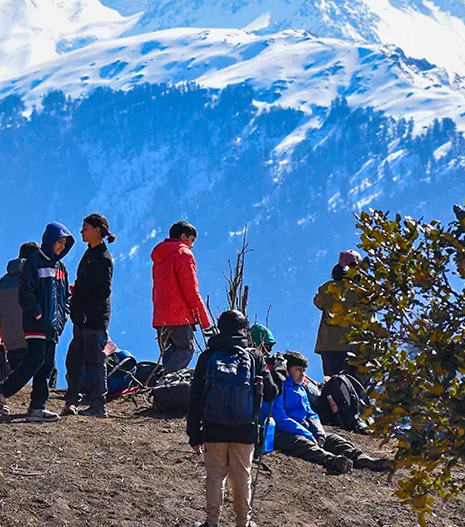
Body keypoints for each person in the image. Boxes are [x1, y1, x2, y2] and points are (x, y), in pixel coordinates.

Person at [185, 310, 280, 527]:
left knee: (215, 476)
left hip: (213, 427)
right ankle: (242, 522)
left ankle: (211, 522)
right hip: (245, 428)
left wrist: (194, 433)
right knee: (242, 477)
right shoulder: (254, 356)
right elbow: (272, 393)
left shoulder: (207, 356)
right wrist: (279, 371)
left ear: (220, 328)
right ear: (244, 329)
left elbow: (196, 396)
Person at [0, 223, 73, 422]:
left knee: (46, 366)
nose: (61, 246)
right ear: (49, 240)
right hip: (36, 325)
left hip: (53, 327)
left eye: (64, 243)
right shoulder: (34, 263)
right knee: (34, 361)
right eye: (59, 241)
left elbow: (65, 297)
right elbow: (26, 293)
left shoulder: (61, 268)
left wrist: (62, 317)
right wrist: (39, 314)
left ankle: (37, 408)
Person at [272, 351, 393, 475]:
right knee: (302, 444)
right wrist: (307, 434)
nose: (302, 374)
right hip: (284, 433)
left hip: (304, 428)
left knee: (336, 440)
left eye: (304, 370)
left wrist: (319, 432)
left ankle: (362, 459)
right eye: (298, 370)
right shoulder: (277, 388)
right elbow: (280, 418)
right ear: (287, 369)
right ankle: (332, 460)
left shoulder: (301, 389)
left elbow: (310, 413)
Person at [62, 213, 115, 418]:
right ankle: (73, 401)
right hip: (82, 317)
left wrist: (84, 306)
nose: (82, 231)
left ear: (97, 230)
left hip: (93, 318)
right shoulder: (90, 254)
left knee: (94, 361)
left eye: (85, 227)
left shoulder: (103, 258)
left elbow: (103, 291)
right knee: (74, 359)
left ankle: (98, 405)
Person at [151, 221, 212, 372]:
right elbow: (191, 290)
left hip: (160, 315)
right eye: (191, 240)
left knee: (169, 354)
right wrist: (205, 322)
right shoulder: (183, 254)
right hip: (179, 316)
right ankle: (163, 382)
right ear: (183, 236)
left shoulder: (159, 257)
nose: (192, 245)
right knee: (186, 349)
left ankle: (164, 391)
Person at [0, 242, 41, 372]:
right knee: (46, 375)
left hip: (10, 340)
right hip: (34, 335)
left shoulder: (3, 281)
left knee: (16, 378)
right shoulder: (36, 277)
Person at [314, 250, 361, 378]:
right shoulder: (365, 291)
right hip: (360, 348)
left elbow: (318, 302)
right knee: (360, 390)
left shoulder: (329, 288)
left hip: (331, 347)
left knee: (336, 388)